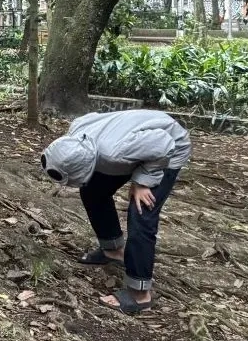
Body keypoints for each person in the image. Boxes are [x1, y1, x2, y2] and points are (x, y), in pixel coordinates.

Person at [39, 110, 191, 314]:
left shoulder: (114, 153)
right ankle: (113, 250)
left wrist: (143, 181)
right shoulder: (76, 131)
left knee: (141, 213)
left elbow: (163, 144)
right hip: (136, 148)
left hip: (168, 147)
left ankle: (140, 295)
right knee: (93, 191)